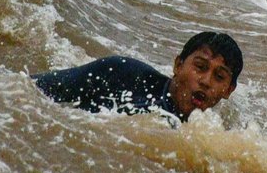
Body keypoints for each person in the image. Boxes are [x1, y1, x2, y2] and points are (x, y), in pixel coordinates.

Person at [32, 31, 243, 124]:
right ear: (178, 65)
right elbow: (28, 88)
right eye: (200, 67)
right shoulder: (120, 73)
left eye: (219, 76)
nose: (206, 81)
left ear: (228, 90)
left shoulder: (213, 137)